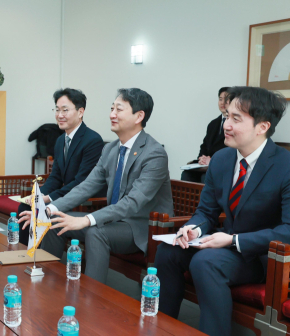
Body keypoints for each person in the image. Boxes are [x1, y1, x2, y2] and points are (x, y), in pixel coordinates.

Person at [154, 86, 288, 336]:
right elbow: (207, 211)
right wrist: (195, 228)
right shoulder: (223, 160)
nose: (226, 124)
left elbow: (288, 231)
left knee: (206, 262)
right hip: (226, 246)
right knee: (171, 251)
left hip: (266, 257)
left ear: (262, 127)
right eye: (227, 116)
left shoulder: (285, 166)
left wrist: (233, 241)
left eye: (236, 118)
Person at [21, 88, 173, 284]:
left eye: (119, 109)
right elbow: (86, 186)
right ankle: (48, 285)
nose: (112, 114)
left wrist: (87, 219)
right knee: (54, 220)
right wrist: (47, 209)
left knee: (96, 232)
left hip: (141, 227)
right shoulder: (110, 149)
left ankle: (91, 299)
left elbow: (133, 202)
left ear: (139, 116)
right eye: (112, 108)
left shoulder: (154, 154)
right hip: (112, 220)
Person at [18, 88, 105, 243]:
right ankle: (24, 253)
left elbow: (81, 182)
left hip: (84, 200)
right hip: (65, 193)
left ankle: (39, 257)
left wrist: (48, 198)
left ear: (80, 112)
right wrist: (38, 196)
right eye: (57, 110)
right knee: (26, 206)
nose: (60, 115)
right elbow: (55, 177)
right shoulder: (60, 140)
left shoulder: (93, 140)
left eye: (65, 110)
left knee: (38, 209)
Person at [181, 87, 230, 183]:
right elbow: (204, 145)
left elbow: (231, 150)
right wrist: (202, 158)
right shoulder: (213, 124)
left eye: (226, 99)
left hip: (223, 166)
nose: (222, 102)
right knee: (187, 175)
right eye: (220, 99)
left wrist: (212, 160)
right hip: (207, 166)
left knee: (206, 176)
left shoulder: (236, 125)